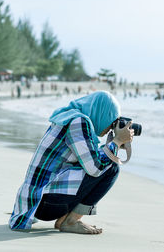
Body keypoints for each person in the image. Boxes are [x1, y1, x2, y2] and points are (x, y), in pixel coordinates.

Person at [9, 91, 134, 234]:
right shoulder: (79, 122)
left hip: (35, 202)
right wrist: (117, 142)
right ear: (102, 114)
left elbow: (90, 159)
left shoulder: (69, 117)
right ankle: (71, 221)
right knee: (112, 168)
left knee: (103, 162)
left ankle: (64, 220)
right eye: (112, 122)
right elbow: (95, 168)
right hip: (46, 204)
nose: (111, 127)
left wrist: (114, 144)